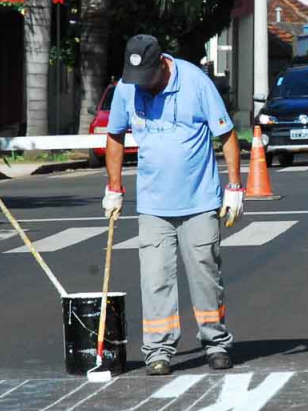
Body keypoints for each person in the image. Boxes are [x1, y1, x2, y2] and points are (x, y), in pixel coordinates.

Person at [102, 34, 244, 376]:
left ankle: (216, 343)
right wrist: (114, 187)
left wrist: (235, 187)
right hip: (153, 205)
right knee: (155, 279)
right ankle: (158, 350)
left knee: (206, 275)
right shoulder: (127, 88)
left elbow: (226, 135)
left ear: (161, 64)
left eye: (146, 79)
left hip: (199, 201)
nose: (142, 87)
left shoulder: (195, 81)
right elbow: (115, 135)